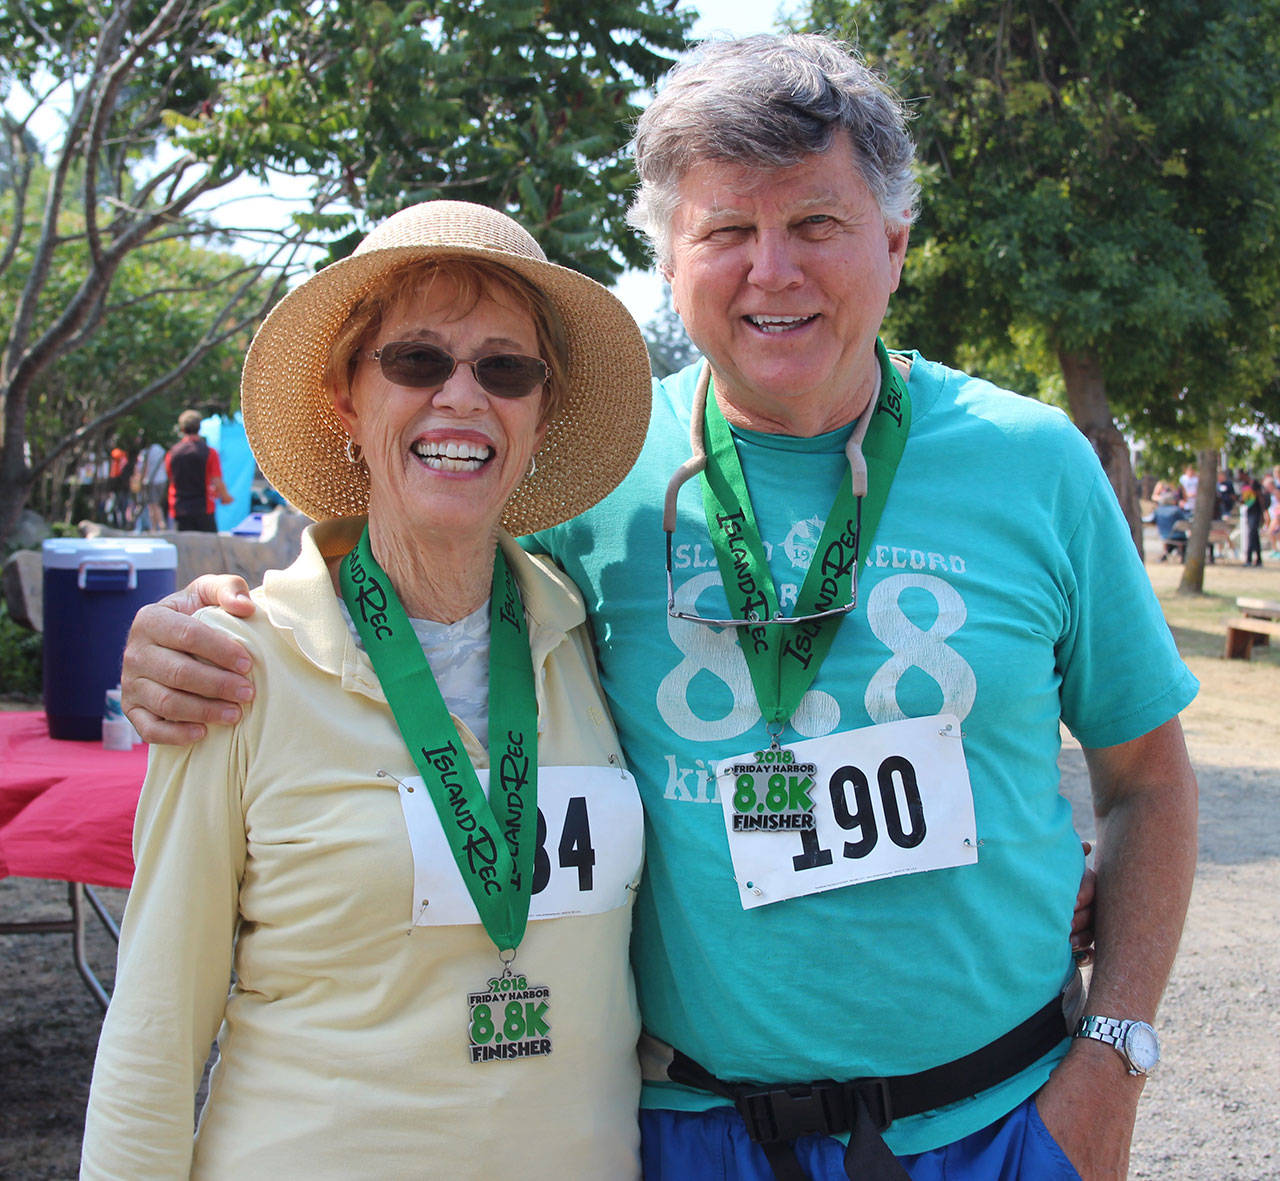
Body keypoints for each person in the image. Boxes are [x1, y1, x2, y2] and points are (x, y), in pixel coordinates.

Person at [119, 34, 1196, 1181]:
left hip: (999, 1120)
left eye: (816, 224)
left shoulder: (1032, 463)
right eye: (725, 229)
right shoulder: (595, 486)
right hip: (691, 1134)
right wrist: (186, 632)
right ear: (670, 264)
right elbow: (414, 549)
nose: (769, 269)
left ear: (892, 243)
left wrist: (1111, 1059)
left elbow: (1149, 780)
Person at [82, 201, 654, 1178]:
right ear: (346, 396)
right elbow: (153, 1028)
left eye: (504, 368)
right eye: (416, 361)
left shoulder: (585, 637)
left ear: (539, 410)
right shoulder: (237, 663)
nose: (461, 397)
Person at [166, 408, 234, 531]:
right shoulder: (209, 452)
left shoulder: (172, 453)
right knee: (209, 548)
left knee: (183, 548)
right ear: (199, 427)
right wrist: (225, 497)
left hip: (180, 508)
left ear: (182, 429)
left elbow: (171, 478)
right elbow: (217, 480)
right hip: (204, 508)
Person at [135, 434, 171, 530]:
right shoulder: (160, 449)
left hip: (151, 481)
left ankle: (159, 525)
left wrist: (140, 481)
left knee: (153, 505)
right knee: (156, 504)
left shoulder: (145, 452)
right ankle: (156, 527)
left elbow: (142, 468)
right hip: (163, 479)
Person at [1152, 490, 1191, 562]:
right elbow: (1185, 520)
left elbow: (1152, 520)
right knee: (1184, 540)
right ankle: (1182, 558)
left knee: (1171, 542)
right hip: (1178, 536)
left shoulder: (1157, 510)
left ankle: (1165, 554)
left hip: (1163, 535)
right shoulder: (1176, 510)